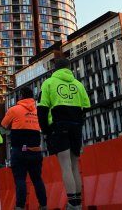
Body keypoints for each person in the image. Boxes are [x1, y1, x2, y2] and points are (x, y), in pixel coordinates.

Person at [37, 57, 89, 210]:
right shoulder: (78, 84)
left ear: (55, 69)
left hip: (59, 127)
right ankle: (78, 203)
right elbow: (86, 106)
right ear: (69, 68)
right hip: (75, 127)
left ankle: (72, 204)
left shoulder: (49, 83)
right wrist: (78, 123)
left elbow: (42, 109)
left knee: (65, 166)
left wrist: (46, 130)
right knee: (74, 166)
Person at [1, 86, 47, 210]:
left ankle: (20, 206)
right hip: (36, 151)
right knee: (37, 179)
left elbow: (3, 125)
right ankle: (43, 205)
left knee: (20, 179)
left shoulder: (14, 110)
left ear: (21, 96)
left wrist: (14, 126)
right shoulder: (37, 111)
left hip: (20, 151)